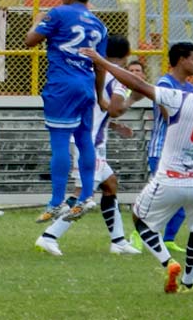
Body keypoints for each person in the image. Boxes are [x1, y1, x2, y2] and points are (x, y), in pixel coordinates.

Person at [80, 48, 193, 293]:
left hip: (170, 179)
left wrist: (102, 61)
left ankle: (168, 261)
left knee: (140, 219)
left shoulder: (180, 98)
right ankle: (189, 283)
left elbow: (137, 83)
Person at [36, 35, 142, 256]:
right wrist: (133, 100)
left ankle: (119, 241)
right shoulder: (117, 77)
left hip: (82, 136)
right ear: (126, 55)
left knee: (110, 185)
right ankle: (49, 236)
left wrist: (113, 126)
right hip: (90, 144)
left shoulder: (89, 72)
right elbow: (113, 108)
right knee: (83, 195)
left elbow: (95, 110)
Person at [25, 0, 108, 222]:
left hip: (62, 85)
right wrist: (100, 96)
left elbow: (30, 41)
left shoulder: (58, 13)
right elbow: (101, 66)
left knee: (60, 143)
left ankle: (56, 202)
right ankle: (86, 197)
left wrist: (38, 20)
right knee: (84, 140)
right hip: (86, 86)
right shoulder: (99, 24)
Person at [139, 42, 193, 253]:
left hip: (183, 153)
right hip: (162, 151)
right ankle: (137, 235)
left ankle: (169, 239)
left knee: (185, 198)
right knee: (161, 197)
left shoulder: (192, 88)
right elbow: (170, 115)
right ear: (181, 60)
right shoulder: (165, 84)